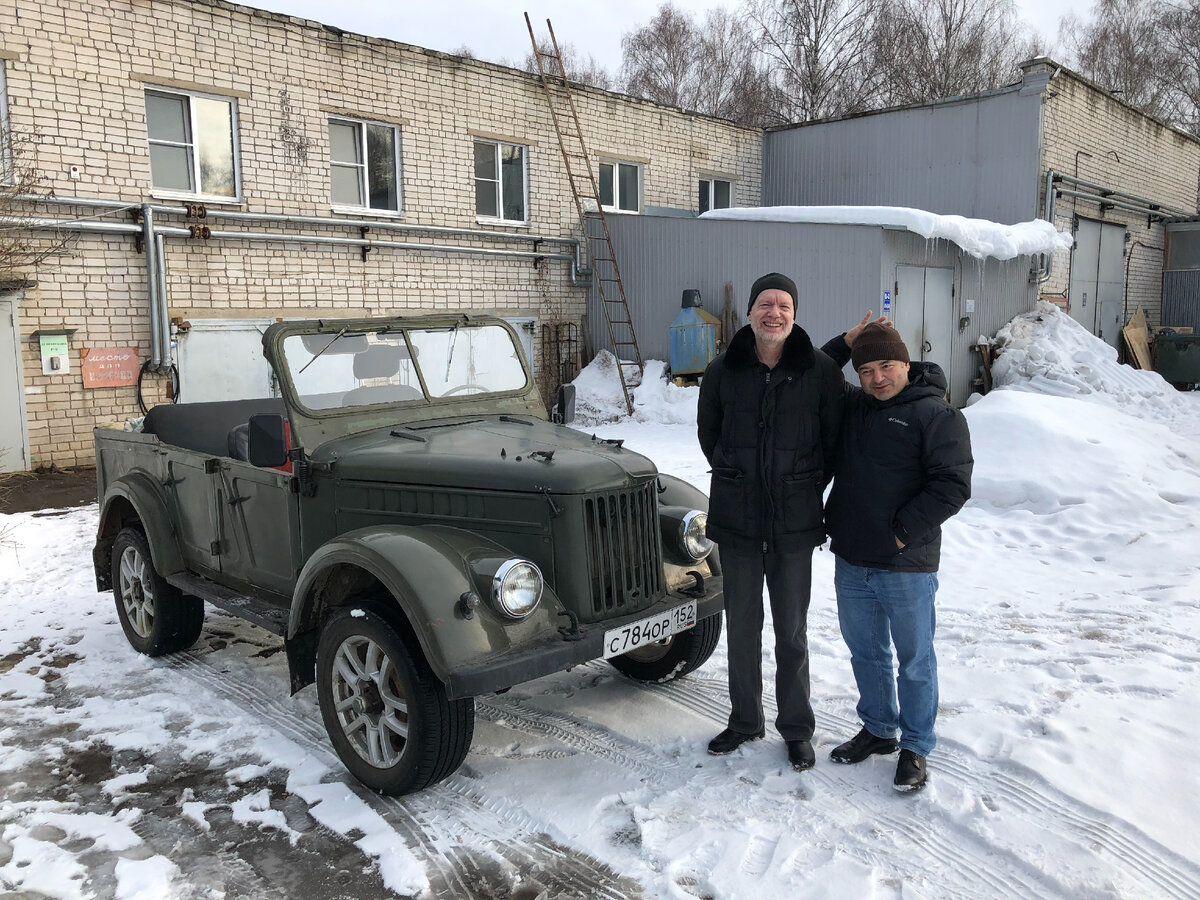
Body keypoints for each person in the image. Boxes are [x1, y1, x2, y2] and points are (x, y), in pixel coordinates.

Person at [696, 272, 847, 771]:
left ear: (795, 314)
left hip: (793, 525)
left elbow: (833, 441)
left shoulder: (821, 371)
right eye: (765, 303)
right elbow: (708, 433)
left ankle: (797, 728)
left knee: (792, 632)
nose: (774, 313)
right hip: (737, 522)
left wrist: (802, 483)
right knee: (741, 628)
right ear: (751, 312)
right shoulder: (723, 370)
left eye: (784, 305)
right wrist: (735, 473)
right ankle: (744, 719)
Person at [821, 321, 973, 792]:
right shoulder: (855, 408)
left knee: (914, 660)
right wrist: (845, 345)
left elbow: (952, 485)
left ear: (906, 364)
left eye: (886, 365)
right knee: (866, 653)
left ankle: (916, 746)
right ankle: (879, 730)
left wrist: (902, 535)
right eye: (865, 369)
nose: (876, 377)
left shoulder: (938, 416)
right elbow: (817, 373)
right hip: (852, 559)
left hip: (905, 565)